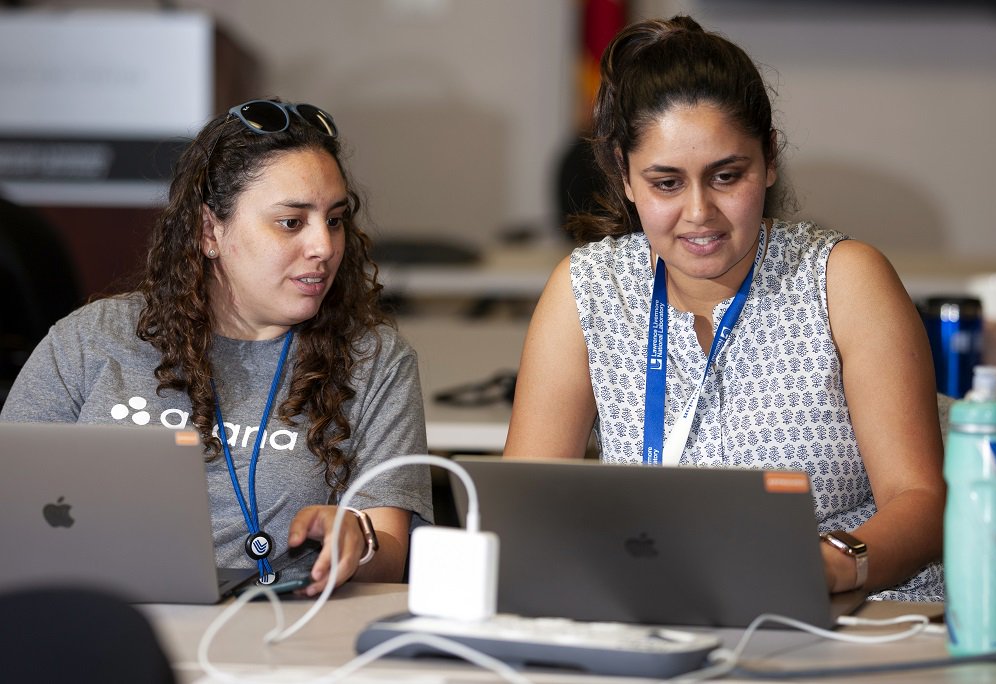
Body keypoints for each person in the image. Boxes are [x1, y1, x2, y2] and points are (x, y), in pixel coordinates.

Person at [504, 16, 945, 601]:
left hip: (859, 619)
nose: (699, 212)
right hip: (665, 615)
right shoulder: (589, 290)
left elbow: (920, 501)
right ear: (624, 177)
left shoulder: (844, 280)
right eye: (665, 183)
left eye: (726, 176)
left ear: (769, 160)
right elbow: (524, 510)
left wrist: (831, 566)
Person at [1, 99, 433, 595]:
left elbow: (392, 552)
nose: (324, 246)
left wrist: (359, 539)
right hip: (103, 619)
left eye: (334, 220)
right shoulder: (89, 339)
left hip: (281, 634)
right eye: (292, 222)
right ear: (210, 230)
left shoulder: (374, 359)